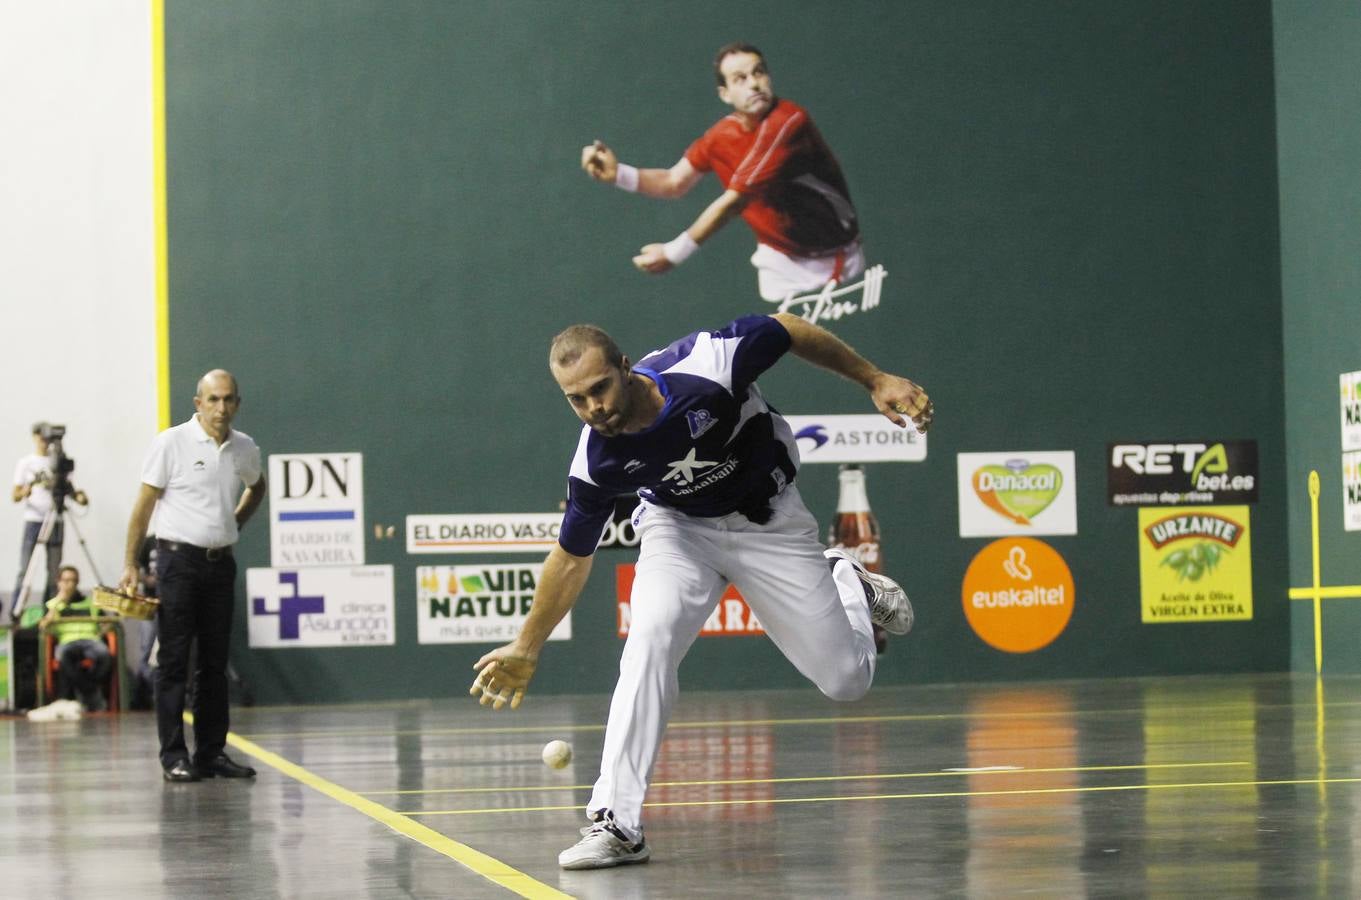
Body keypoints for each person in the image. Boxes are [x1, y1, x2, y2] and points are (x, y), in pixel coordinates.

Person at [469, 312, 933, 869]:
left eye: (600, 388)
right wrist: (526, 646)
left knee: (847, 681)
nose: (594, 408)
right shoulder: (597, 459)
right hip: (678, 530)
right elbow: (571, 558)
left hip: (770, 523)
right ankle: (617, 823)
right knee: (651, 638)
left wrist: (874, 379)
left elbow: (787, 330)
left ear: (625, 368)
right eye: (576, 399)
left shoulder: (708, 366)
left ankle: (846, 580)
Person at [581, 42, 863, 302]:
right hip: (779, 258)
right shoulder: (722, 136)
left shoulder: (788, 123)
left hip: (831, 258)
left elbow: (733, 203)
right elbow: (673, 182)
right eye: (740, 78)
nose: (754, 83)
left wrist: (674, 253)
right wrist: (619, 174)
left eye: (759, 72)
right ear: (724, 93)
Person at [118, 369, 266, 783]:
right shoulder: (171, 443)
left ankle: (211, 753)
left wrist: (234, 524)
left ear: (237, 403)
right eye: (213, 399)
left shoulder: (244, 448)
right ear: (198, 403)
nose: (221, 408)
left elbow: (257, 487)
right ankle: (173, 756)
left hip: (220, 565)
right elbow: (143, 505)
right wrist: (130, 562)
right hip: (177, 563)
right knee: (174, 661)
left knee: (214, 664)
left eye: (228, 400)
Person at [11, 421, 88, 618]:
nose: (45, 442)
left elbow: (69, 488)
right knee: (26, 569)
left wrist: (79, 497)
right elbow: (16, 495)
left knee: (54, 571)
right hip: (35, 520)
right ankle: (16, 612)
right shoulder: (26, 463)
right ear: (35, 437)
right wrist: (30, 487)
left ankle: (50, 612)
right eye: (42, 438)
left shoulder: (60, 463)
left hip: (57, 520)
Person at [39, 565, 113, 712]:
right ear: (58, 582)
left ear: (77, 582)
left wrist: (104, 630)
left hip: (91, 640)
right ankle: (91, 693)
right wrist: (59, 601)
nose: (69, 584)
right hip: (68, 642)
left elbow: (107, 623)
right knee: (63, 656)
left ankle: (84, 690)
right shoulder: (52, 604)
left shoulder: (90, 603)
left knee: (104, 655)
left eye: (72, 580)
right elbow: (43, 626)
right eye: (65, 580)